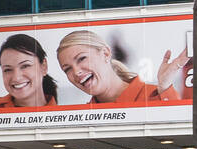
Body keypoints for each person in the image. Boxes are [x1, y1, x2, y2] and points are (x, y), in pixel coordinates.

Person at [56, 29, 187, 104]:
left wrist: (165, 86)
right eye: (67, 69)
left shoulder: (154, 96)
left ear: (106, 53)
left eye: (81, 58)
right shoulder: (83, 116)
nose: (76, 71)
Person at [0, 33, 58, 110]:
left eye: (25, 66)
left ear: (43, 67)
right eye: (8, 70)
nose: (16, 78)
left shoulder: (62, 115)